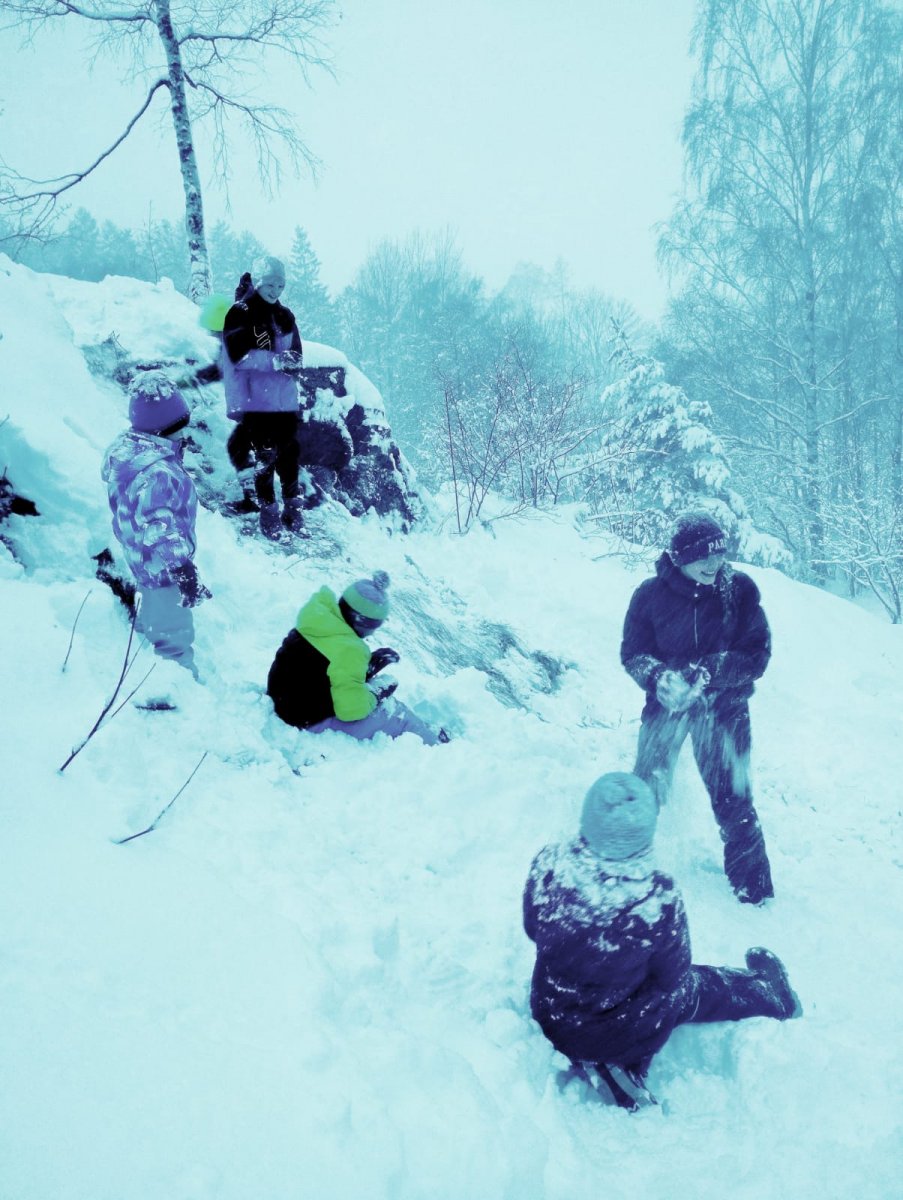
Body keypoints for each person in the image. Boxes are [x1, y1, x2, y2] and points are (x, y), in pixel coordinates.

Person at [523, 772, 801, 1103]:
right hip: (617, 1032)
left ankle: (598, 1053)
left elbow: (532, 928)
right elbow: (673, 975)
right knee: (692, 987)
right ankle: (771, 994)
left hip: (551, 1011)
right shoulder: (655, 900)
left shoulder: (549, 865)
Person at [620, 511, 774, 905]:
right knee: (647, 784)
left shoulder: (738, 592)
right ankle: (621, 865)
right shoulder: (649, 596)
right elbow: (633, 653)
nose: (713, 563)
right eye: (703, 556)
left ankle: (754, 893)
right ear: (680, 556)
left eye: (719, 554)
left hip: (724, 709)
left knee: (734, 798)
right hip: (668, 706)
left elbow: (757, 656)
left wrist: (712, 670)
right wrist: (659, 678)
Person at [101, 371, 211, 676]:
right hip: (163, 566)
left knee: (157, 612)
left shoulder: (133, 453)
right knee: (173, 634)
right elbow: (158, 526)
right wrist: (182, 568)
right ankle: (176, 681)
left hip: (142, 557)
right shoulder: (157, 473)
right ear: (163, 429)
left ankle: (150, 643)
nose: (184, 433)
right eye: (179, 427)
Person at [267, 570, 447, 745]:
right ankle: (437, 745)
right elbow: (351, 711)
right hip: (305, 720)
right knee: (394, 712)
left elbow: (321, 666)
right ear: (361, 621)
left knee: (378, 697)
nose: (373, 632)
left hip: (284, 700)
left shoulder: (319, 619)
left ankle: (425, 730)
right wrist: (377, 694)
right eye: (374, 625)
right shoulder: (350, 650)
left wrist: (364, 668)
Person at [221, 255, 306, 539]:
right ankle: (269, 516)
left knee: (290, 456)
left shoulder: (286, 315)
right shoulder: (240, 312)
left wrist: (294, 361)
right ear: (258, 282)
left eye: (280, 285)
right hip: (256, 401)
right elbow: (238, 355)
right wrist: (276, 361)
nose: (275, 290)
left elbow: (297, 352)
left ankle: (293, 511)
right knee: (265, 458)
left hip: (285, 401)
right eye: (270, 284)